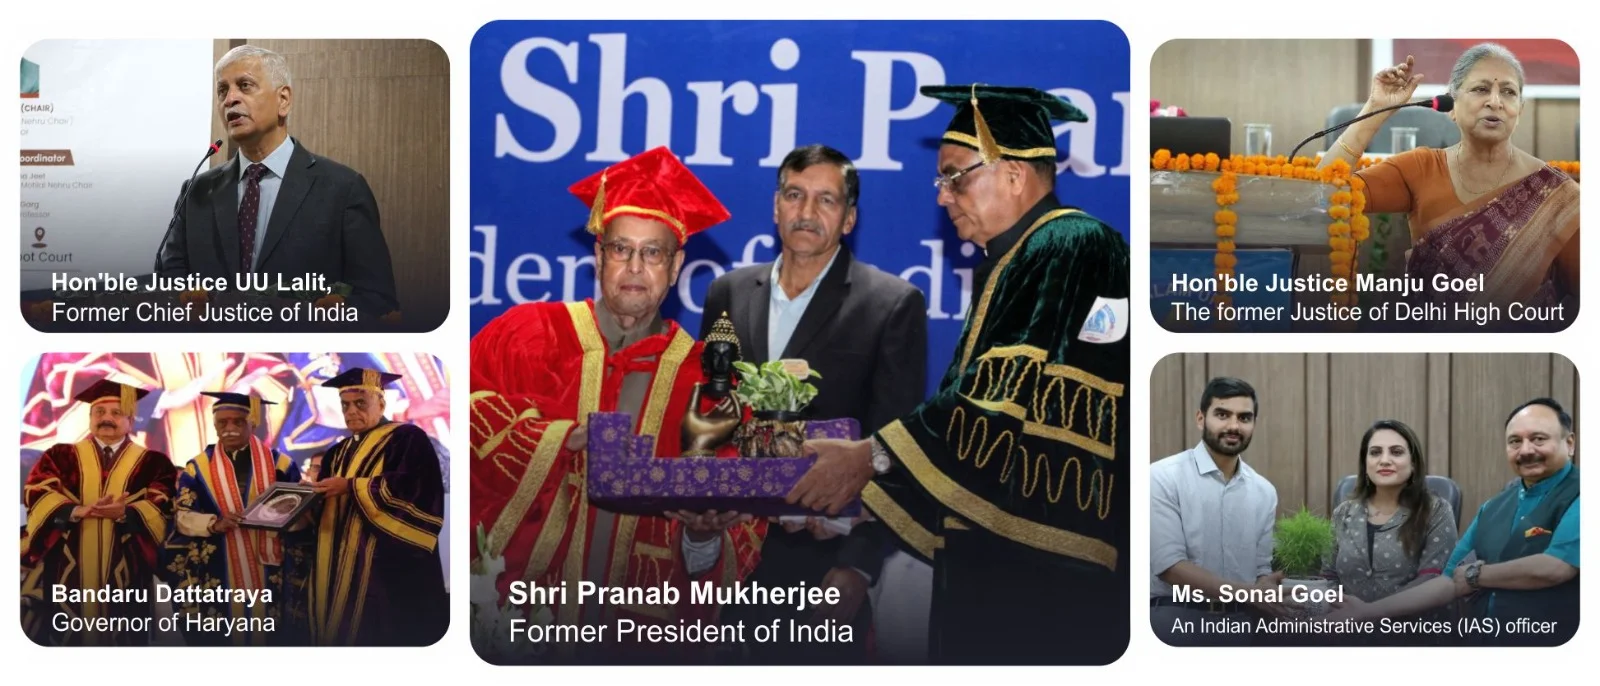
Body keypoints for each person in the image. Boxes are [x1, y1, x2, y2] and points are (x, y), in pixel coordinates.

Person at [788, 85, 1130, 664]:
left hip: (1043, 575)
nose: (943, 196)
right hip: (1002, 554)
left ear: (1014, 175)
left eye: (955, 176)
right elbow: (978, 427)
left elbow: (998, 402)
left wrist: (868, 458)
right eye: (941, 180)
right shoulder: (1015, 257)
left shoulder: (1069, 242)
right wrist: (868, 502)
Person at [469, 146, 766, 664]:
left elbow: (739, 525)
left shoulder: (708, 383)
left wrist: (702, 536)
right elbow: (467, 421)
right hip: (518, 624)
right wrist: (562, 438)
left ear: (676, 266)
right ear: (598, 255)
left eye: (653, 253)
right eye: (621, 248)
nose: (634, 267)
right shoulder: (527, 336)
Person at [701, 143, 928, 664]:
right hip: (728, 549)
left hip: (825, 560)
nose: (806, 212)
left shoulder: (891, 304)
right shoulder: (727, 293)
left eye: (826, 200)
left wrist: (858, 566)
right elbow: (710, 414)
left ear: (849, 218)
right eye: (794, 195)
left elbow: (894, 449)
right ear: (775, 205)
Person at [1320, 43, 1579, 314]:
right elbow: (1324, 196)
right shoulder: (1420, 168)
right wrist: (1376, 108)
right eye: (1480, 89)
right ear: (1452, 106)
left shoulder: (1556, 195)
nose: (1495, 101)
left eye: (1508, 92)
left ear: (1519, 110)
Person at [153, 44, 400, 318]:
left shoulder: (343, 189)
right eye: (222, 90)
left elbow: (377, 297)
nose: (229, 99)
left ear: (283, 100)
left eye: (244, 86)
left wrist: (338, 313)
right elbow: (169, 282)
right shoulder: (197, 192)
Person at [1329, 398, 1578, 646]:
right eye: (1515, 441)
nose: (1525, 450)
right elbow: (1449, 581)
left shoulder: (1582, 493)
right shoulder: (1492, 508)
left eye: (1538, 439)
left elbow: (1556, 567)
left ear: (1569, 444)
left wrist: (1475, 574)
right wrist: (1366, 613)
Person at [20, 380, 178, 646]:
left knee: (124, 637)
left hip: (127, 566)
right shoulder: (60, 456)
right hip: (66, 564)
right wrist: (73, 510)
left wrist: (127, 513)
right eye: (99, 412)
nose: (106, 418)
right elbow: (38, 491)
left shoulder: (154, 463)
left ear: (131, 420)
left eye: (116, 413)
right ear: (90, 418)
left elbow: (163, 503)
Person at [298, 368, 447, 646]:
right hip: (337, 563)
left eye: (360, 403)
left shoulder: (406, 438)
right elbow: (326, 511)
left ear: (381, 403)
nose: (351, 411)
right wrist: (308, 499)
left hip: (384, 568)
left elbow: (415, 492)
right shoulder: (336, 452)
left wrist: (351, 486)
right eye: (345, 405)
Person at [1149, 377, 1285, 647]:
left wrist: (1268, 586)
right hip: (1174, 620)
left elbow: (1261, 568)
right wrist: (1249, 593)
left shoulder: (1264, 491)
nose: (1234, 426)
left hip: (1243, 625)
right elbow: (1169, 567)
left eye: (1244, 418)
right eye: (1222, 415)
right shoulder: (1162, 477)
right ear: (1201, 419)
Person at [162, 391, 304, 646]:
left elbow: (302, 515)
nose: (229, 428)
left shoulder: (281, 464)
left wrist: (286, 516)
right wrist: (214, 524)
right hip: (218, 562)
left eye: (238, 421)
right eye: (222, 422)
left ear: (252, 423)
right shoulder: (197, 467)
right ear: (215, 425)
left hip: (270, 565)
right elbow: (182, 516)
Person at [1321, 419, 1457, 644]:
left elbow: (1432, 580)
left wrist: (1368, 613)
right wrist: (1338, 612)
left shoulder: (1436, 510)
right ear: (1365, 463)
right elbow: (1328, 576)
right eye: (1375, 452)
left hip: (1413, 635)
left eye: (1396, 452)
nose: (1384, 460)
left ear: (1414, 463)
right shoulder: (1343, 513)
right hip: (1347, 633)